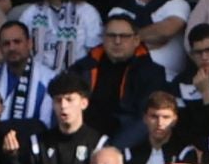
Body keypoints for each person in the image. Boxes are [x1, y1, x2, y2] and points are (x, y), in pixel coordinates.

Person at [10, 73, 106, 164]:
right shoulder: (38, 143)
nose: (63, 106)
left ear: (84, 103)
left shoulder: (99, 143)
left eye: (69, 99)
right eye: (58, 100)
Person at [70, 13, 165, 150]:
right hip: (83, 136)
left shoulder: (152, 72)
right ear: (103, 38)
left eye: (124, 36)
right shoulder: (83, 68)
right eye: (111, 36)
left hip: (124, 142)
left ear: (136, 40)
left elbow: (145, 120)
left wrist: (113, 150)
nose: (117, 41)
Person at [106, 0, 190, 81]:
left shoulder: (177, 3)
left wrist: (128, 38)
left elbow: (164, 32)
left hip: (170, 80)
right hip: (127, 79)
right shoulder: (119, 9)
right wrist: (147, 37)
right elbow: (114, 47)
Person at [0, 20, 54, 133]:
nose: (12, 48)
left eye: (17, 42)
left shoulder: (49, 79)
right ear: (0, 49)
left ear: (29, 44)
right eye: (6, 43)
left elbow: (45, 125)